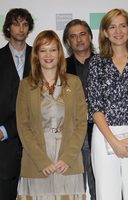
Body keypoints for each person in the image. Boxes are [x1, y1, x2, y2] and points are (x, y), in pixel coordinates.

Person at [87, 8, 128, 200]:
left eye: (122, 26)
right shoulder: (97, 63)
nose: (118, 31)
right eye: (112, 27)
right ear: (105, 32)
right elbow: (95, 107)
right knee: (107, 195)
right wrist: (114, 141)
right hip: (105, 135)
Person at [16, 30, 87, 200]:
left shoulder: (74, 82)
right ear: (37, 55)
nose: (48, 55)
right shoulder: (25, 85)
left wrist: (68, 158)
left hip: (68, 159)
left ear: (60, 53)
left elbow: (81, 123)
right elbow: (23, 126)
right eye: (43, 50)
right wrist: (42, 161)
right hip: (36, 159)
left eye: (53, 49)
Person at [0, 8, 34, 200]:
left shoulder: (40, 57)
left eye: (25, 24)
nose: (20, 28)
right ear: (8, 28)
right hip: (4, 142)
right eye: (15, 23)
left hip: (36, 140)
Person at [63, 19, 96, 200]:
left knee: (101, 184)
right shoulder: (61, 67)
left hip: (101, 132)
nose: (79, 39)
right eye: (73, 36)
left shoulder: (104, 63)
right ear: (68, 42)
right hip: (72, 133)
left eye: (82, 34)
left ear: (90, 36)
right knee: (75, 188)